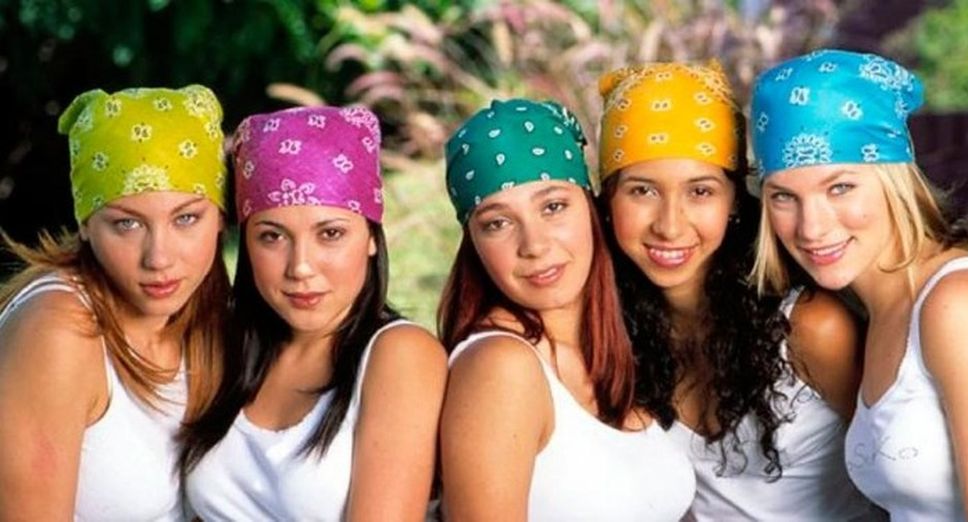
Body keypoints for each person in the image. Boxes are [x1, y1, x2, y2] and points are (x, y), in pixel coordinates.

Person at [597, 61, 875, 519]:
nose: (669, 225)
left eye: (700, 192)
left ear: (733, 202)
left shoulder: (811, 328)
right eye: (642, 191)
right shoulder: (610, 335)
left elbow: (901, 481)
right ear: (608, 202)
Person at [751, 48, 968, 520]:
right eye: (784, 196)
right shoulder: (884, 315)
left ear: (894, 180)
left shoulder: (960, 303)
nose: (812, 227)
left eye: (839, 187)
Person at [180, 106, 447, 521]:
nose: (300, 266)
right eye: (272, 236)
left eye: (330, 233)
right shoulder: (223, 347)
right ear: (245, 245)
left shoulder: (399, 355)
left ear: (372, 237)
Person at [437, 98, 695, 521]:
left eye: (553, 207)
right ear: (475, 245)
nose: (534, 245)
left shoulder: (616, 346)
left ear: (591, 208)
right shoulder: (501, 367)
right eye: (497, 223)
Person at [0, 85, 229, 520]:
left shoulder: (210, 318)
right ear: (84, 224)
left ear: (219, 217)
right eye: (126, 223)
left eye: (186, 218)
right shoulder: (58, 330)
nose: (159, 257)